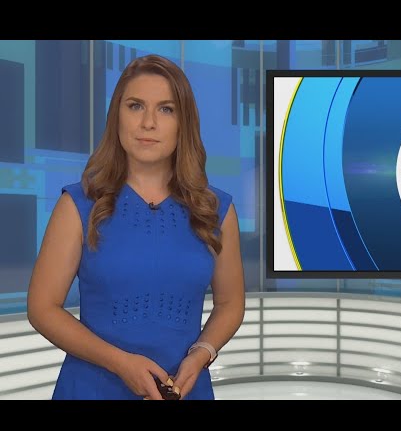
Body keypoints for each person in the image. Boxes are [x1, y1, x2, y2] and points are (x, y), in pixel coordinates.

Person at [26, 54, 245, 400]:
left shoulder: (215, 210)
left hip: (184, 390)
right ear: (117, 116)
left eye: (166, 109)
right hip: (91, 390)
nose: (148, 123)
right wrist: (119, 363)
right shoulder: (78, 205)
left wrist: (202, 352)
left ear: (183, 123)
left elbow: (230, 303)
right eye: (135, 106)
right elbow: (42, 308)